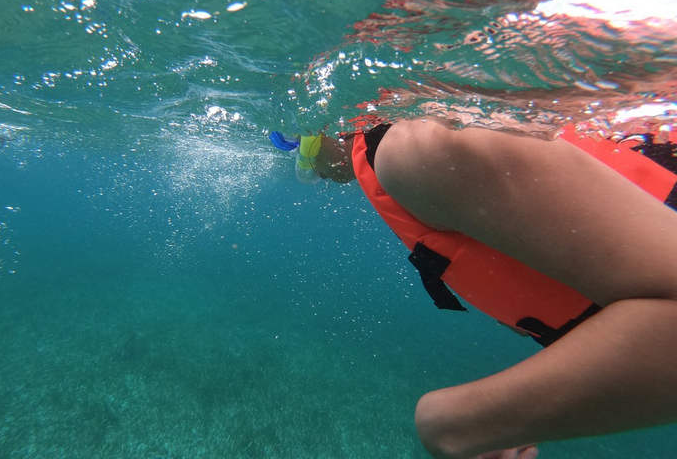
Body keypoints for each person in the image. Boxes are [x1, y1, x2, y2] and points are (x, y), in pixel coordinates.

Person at [272, 118, 677, 459]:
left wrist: (456, 425)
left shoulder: (409, 153)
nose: (301, 157)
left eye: (292, 140)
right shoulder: (403, 168)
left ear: (326, 126)